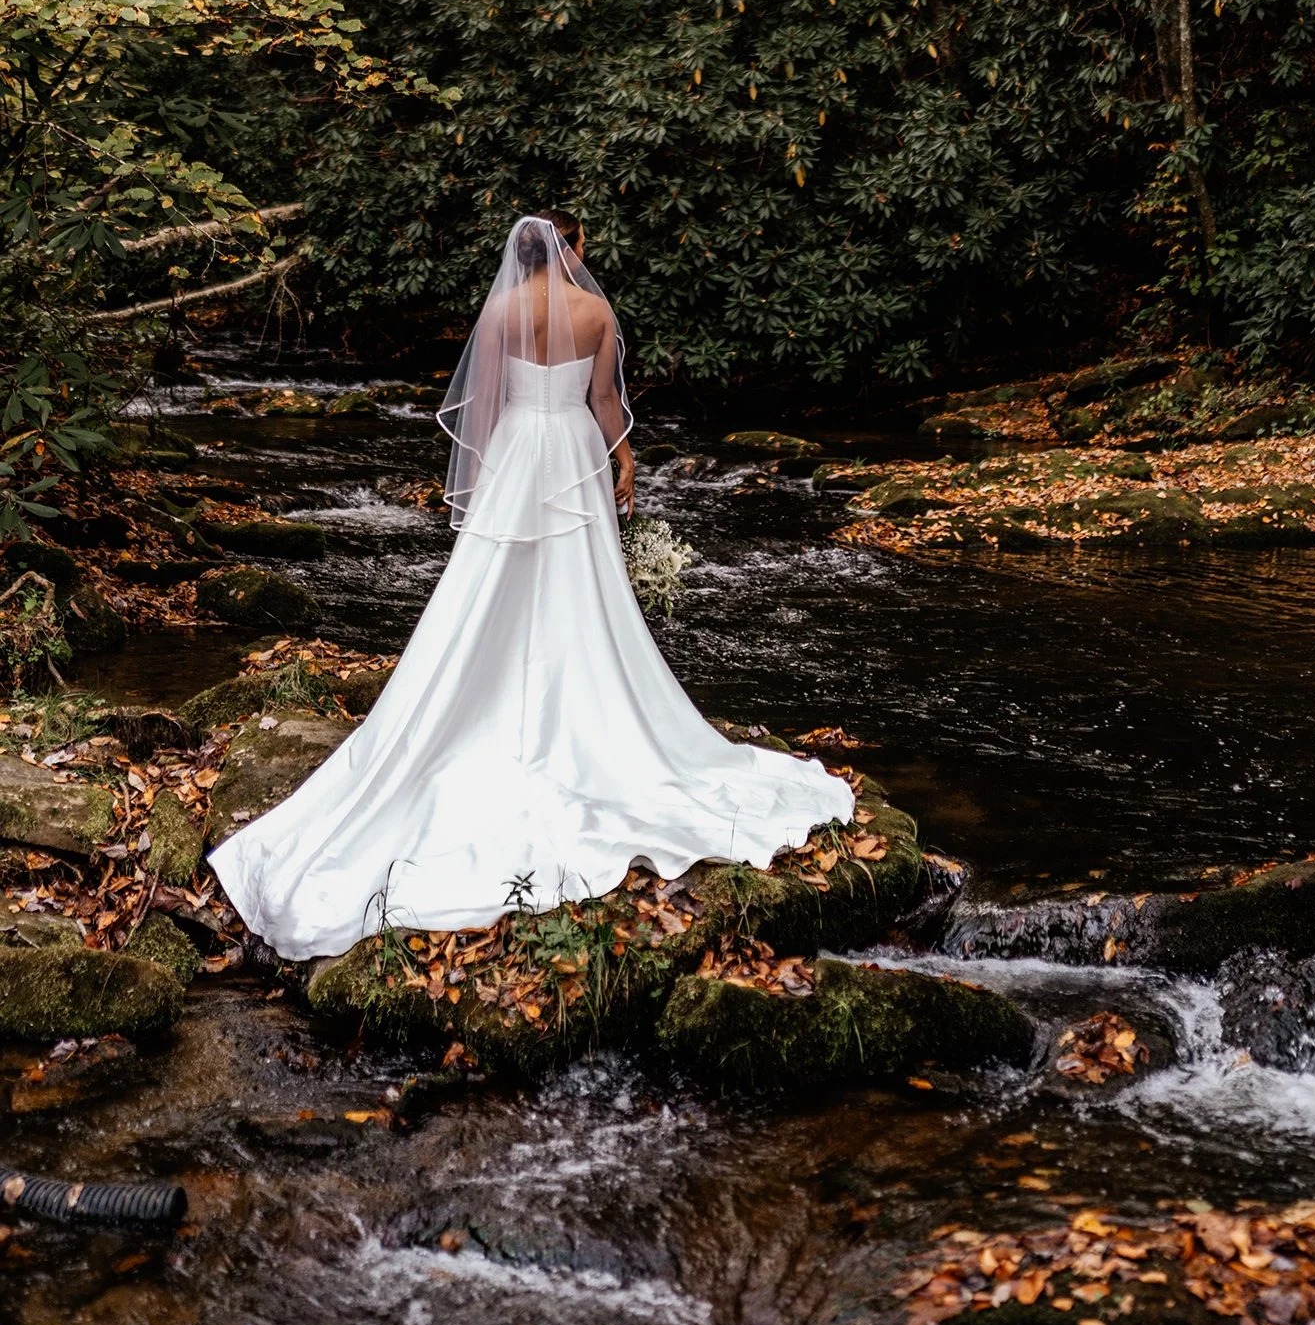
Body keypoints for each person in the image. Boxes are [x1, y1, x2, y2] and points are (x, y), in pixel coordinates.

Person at [210, 211, 853, 960]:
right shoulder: (596, 311)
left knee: (491, 583)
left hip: (518, 446)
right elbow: (604, 402)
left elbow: (484, 403)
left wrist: (488, 478)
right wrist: (624, 460)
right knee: (583, 584)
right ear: (569, 248)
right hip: (573, 449)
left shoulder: (501, 310)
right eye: (583, 244)